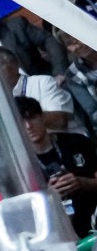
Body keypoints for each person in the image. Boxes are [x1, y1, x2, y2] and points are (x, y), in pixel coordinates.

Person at [17, 96, 97, 232]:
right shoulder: (21, 165)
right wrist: (50, 196)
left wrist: (81, 182)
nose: (28, 126)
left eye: (32, 117)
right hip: (60, 230)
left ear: (42, 117)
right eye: (21, 121)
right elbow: (26, 218)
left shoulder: (77, 142)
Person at [0, 47, 85, 136]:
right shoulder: (0, 99)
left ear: (15, 66)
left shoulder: (42, 82)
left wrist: (19, 116)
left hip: (69, 140)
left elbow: (60, 121)